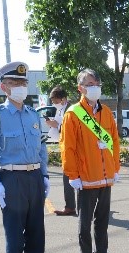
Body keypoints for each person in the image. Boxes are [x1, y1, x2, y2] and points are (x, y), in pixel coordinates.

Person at [0, 61, 56, 253]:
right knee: (14, 230)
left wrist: (44, 175)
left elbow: (41, 147)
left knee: (36, 228)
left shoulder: (33, 114)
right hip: (11, 179)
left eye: (24, 83)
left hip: (34, 176)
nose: (21, 87)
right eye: (15, 83)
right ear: (4, 87)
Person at [60, 68, 121, 253]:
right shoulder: (73, 114)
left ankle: (101, 252)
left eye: (96, 84)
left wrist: (116, 168)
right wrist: (72, 174)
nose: (94, 87)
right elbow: (67, 147)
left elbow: (114, 140)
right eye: (89, 84)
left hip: (105, 177)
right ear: (80, 88)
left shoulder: (106, 113)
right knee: (84, 220)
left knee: (103, 218)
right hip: (85, 177)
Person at [45, 86, 76, 216]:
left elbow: (70, 128)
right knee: (70, 178)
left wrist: (56, 125)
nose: (54, 104)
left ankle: (71, 207)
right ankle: (74, 206)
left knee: (70, 177)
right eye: (52, 101)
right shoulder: (61, 109)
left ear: (63, 99)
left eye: (55, 101)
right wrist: (54, 124)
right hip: (66, 147)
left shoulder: (71, 110)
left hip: (73, 149)